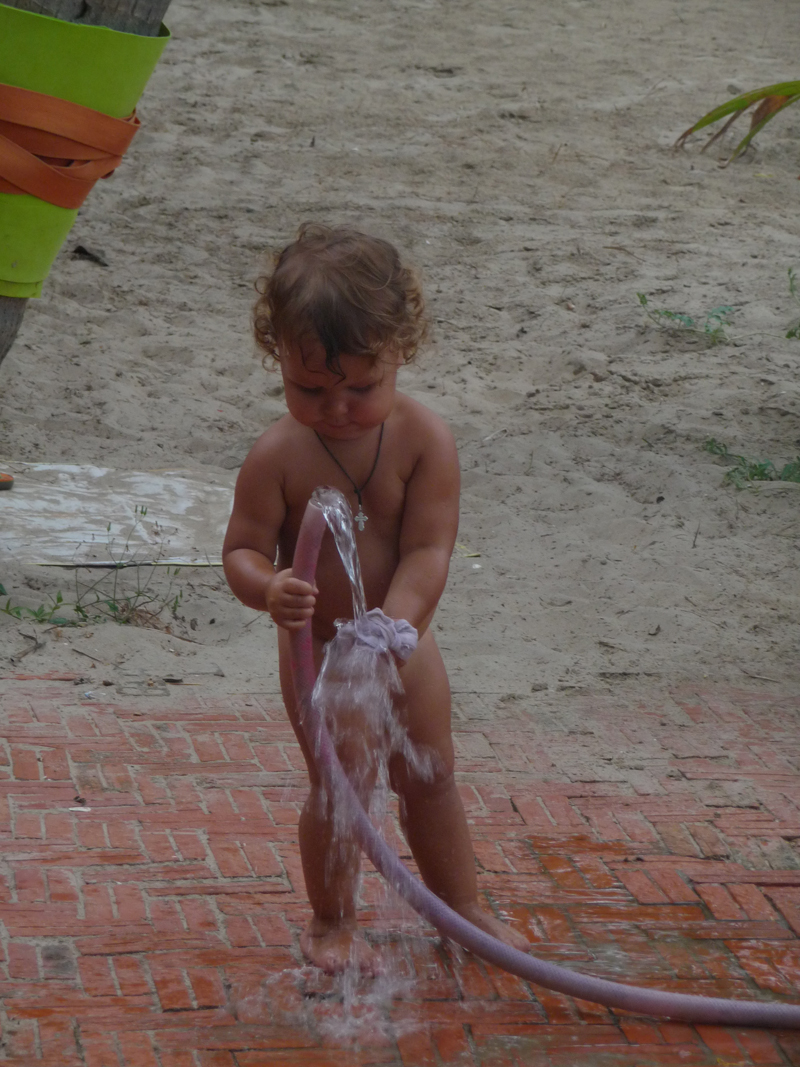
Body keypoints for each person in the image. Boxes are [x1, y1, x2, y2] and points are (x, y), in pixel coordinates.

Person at [223, 223, 530, 975]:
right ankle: (332, 921)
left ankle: (463, 908)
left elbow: (429, 549)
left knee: (432, 774)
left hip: (403, 643)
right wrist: (269, 587)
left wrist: (395, 626)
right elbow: (239, 551)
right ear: (277, 358)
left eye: (361, 388)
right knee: (341, 788)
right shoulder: (278, 456)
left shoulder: (425, 439)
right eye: (311, 390)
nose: (337, 409)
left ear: (402, 350)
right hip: (320, 655)